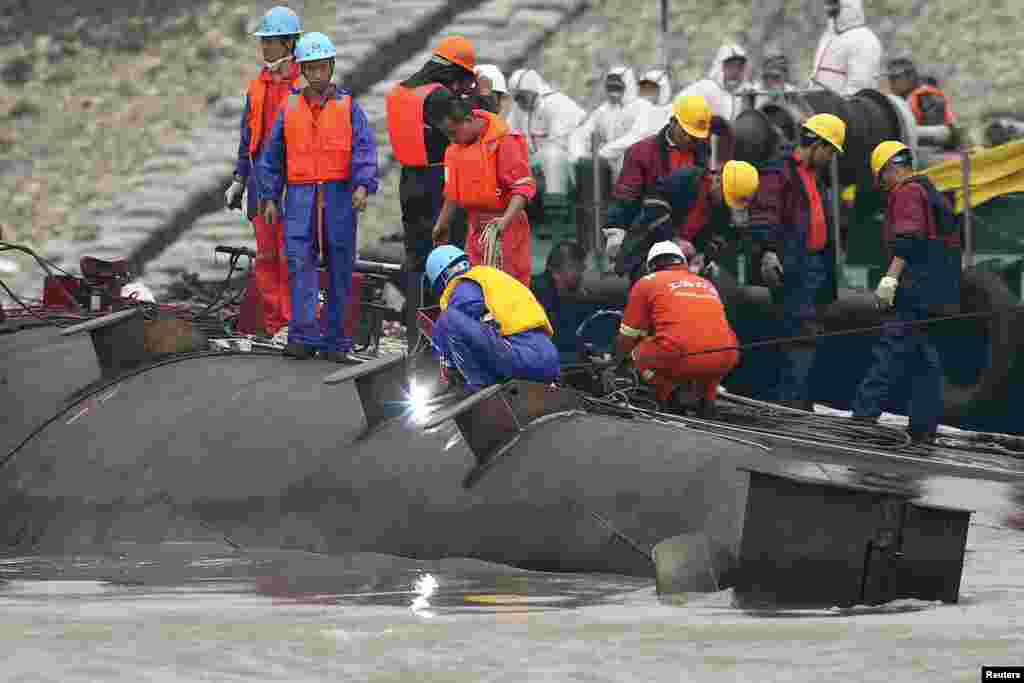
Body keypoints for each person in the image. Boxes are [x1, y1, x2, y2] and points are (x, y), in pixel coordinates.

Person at [257, 32, 379, 361]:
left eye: (322, 67)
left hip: (338, 196)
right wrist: (269, 196)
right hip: (299, 196)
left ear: (331, 67)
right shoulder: (289, 107)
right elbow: (273, 156)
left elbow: (364, 149)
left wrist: (362, 185)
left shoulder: (349, 107)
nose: (316, 74)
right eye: (310, 68)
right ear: (302, 69)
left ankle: (337, 342)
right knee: (300, 265)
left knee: (341, 266)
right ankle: (302, 336)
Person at [850, 141, 962, 445]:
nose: (883, 185)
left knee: (888, 353)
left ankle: (861, 420)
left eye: (881, 177)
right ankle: (924, 429)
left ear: (889, 168)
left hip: (913, 293)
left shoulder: (907, 191)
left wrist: (890, 279)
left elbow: (908, 239)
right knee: (925, 361)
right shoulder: (929, 190)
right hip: (933, 294)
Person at [747, 113, 846, 409]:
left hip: (814, 267)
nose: (831, 158)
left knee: (807, 336)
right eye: (830, 151)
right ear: (816, 144)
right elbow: (764, 212)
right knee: (801, 335)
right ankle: (792, 407)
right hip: (793, 268)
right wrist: (767, 250)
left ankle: (798, 403)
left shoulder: (816, 176)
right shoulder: (779, 172)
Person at [386, 35, 478, 348]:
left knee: (416, 259)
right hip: (438, 181)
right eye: (463, 80)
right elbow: (465, 131)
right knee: (448, 259)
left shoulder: (401, 90)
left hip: (409, 181)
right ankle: (444, 339)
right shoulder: (437, 97)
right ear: (454, 71)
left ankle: (415, 338)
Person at [225, 6, 303, 339]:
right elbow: (248, 136)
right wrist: (239, 180)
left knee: (293, 257)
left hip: (295, 185)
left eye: (270, 41)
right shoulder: (258, 86)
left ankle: (293, 322)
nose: (264, 47)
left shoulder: (305, 85)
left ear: (288, 44)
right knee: (267, 256)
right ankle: (275, 325)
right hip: (260, 185)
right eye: (263, 41)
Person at [616, 241, 740, 417]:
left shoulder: (647, 282)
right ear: (682, 262)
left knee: (638, 354)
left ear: (651, 266)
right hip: (727, 356)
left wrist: (618, 361)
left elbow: (628, 335)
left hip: (682, 356)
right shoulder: (705, 283)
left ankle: (669, 393)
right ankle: (707, 399)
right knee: (710, 352)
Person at [428, 90, 536, 287]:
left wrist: (503, 222)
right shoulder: (456, 149)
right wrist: (441, 224)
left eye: (453, 133)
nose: (452, 140)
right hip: (476, 230)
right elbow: (452, 192)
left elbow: (523, 188)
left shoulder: (504, 141)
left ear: (468, 120)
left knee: (508, 290)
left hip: (506, 230)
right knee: (477, 286)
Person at [603, 95, 730, 259]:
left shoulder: (704, 154)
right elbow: (626, 198)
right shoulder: (641, 153)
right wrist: (617, 233)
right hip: (649, 239)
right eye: (687, 133)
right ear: (673, 122)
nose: (691, 140)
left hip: (689, 243)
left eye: (696, 136)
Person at [425, 245, 559, 393]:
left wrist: (447, 362)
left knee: (447, 320)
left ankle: (480, 388)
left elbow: (456, 326)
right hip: (548, 360)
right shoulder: (489, 277)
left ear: (443, 279)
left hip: (520, 358)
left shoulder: (463, 286)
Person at [608, 159, 760, 282]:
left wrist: (704, 256)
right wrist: (673, 240)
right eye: (724, 197)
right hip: (647, 253)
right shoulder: (687, 179)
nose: (724, 204)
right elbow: (653, 204)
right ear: (718, 181)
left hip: (685, 265)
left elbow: (719, 237)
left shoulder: (722, 206)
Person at [507, 68, 587, 200]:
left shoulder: (557, 103)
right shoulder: (519, 109)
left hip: (569, 168)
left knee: (552, 155)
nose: (518, 101)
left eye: (521, 96)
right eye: (515, 97)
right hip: (536, 170)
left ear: (533, 91)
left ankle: (555, 208)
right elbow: (509, 136)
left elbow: (558, 144)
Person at [568, 66, 650, 178]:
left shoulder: (643, 107)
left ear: (629, 85)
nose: (613, 91)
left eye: (618, 87)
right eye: (610, 87)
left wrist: (602, 153)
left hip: (639, 172)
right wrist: (578, 156)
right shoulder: (604, 110)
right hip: (609, 172)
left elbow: (636, 137)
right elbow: (581, 133)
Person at [531, 240, 600, 361]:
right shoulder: (539, 293)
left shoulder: (553, 293)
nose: (581, 275)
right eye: (577, 268)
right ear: (556, 271)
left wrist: (584, 349)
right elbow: (551, 341)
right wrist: (581, 354)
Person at [810, 0, 883, 96]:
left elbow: (859, 87)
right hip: (820, 105)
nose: (827, 7)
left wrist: (839, 106)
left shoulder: (864, 39)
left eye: (834, 3)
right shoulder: (828, 36)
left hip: (846, 108)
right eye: (828, 3)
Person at [677, 43, 752, 124]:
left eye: (739, 67)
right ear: (720, 67)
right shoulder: (705, 89)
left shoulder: (746, 95)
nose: (735, 71)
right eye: (730, 66)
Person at [886, 57, 957, 127]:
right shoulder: (903, 97)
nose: (891, 83)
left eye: (895, 78)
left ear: (911, 77)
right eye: (890, 78)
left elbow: (936, 129)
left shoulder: (927, 96)